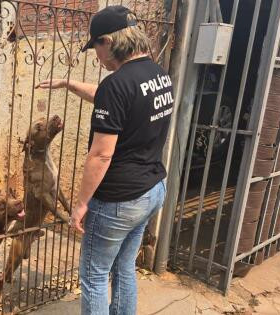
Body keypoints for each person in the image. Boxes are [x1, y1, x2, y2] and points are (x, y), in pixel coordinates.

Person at [36, 5, 173, 315]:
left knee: (94, 276)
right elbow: (114, 97)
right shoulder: (157, 74)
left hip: (119, 200)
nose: (96, 56)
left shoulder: (118, 84)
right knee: (123, 268)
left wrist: (81, 205)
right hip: (152, 190)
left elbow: (101, 154)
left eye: (95, 47)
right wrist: (68, 84)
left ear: (108, 42)